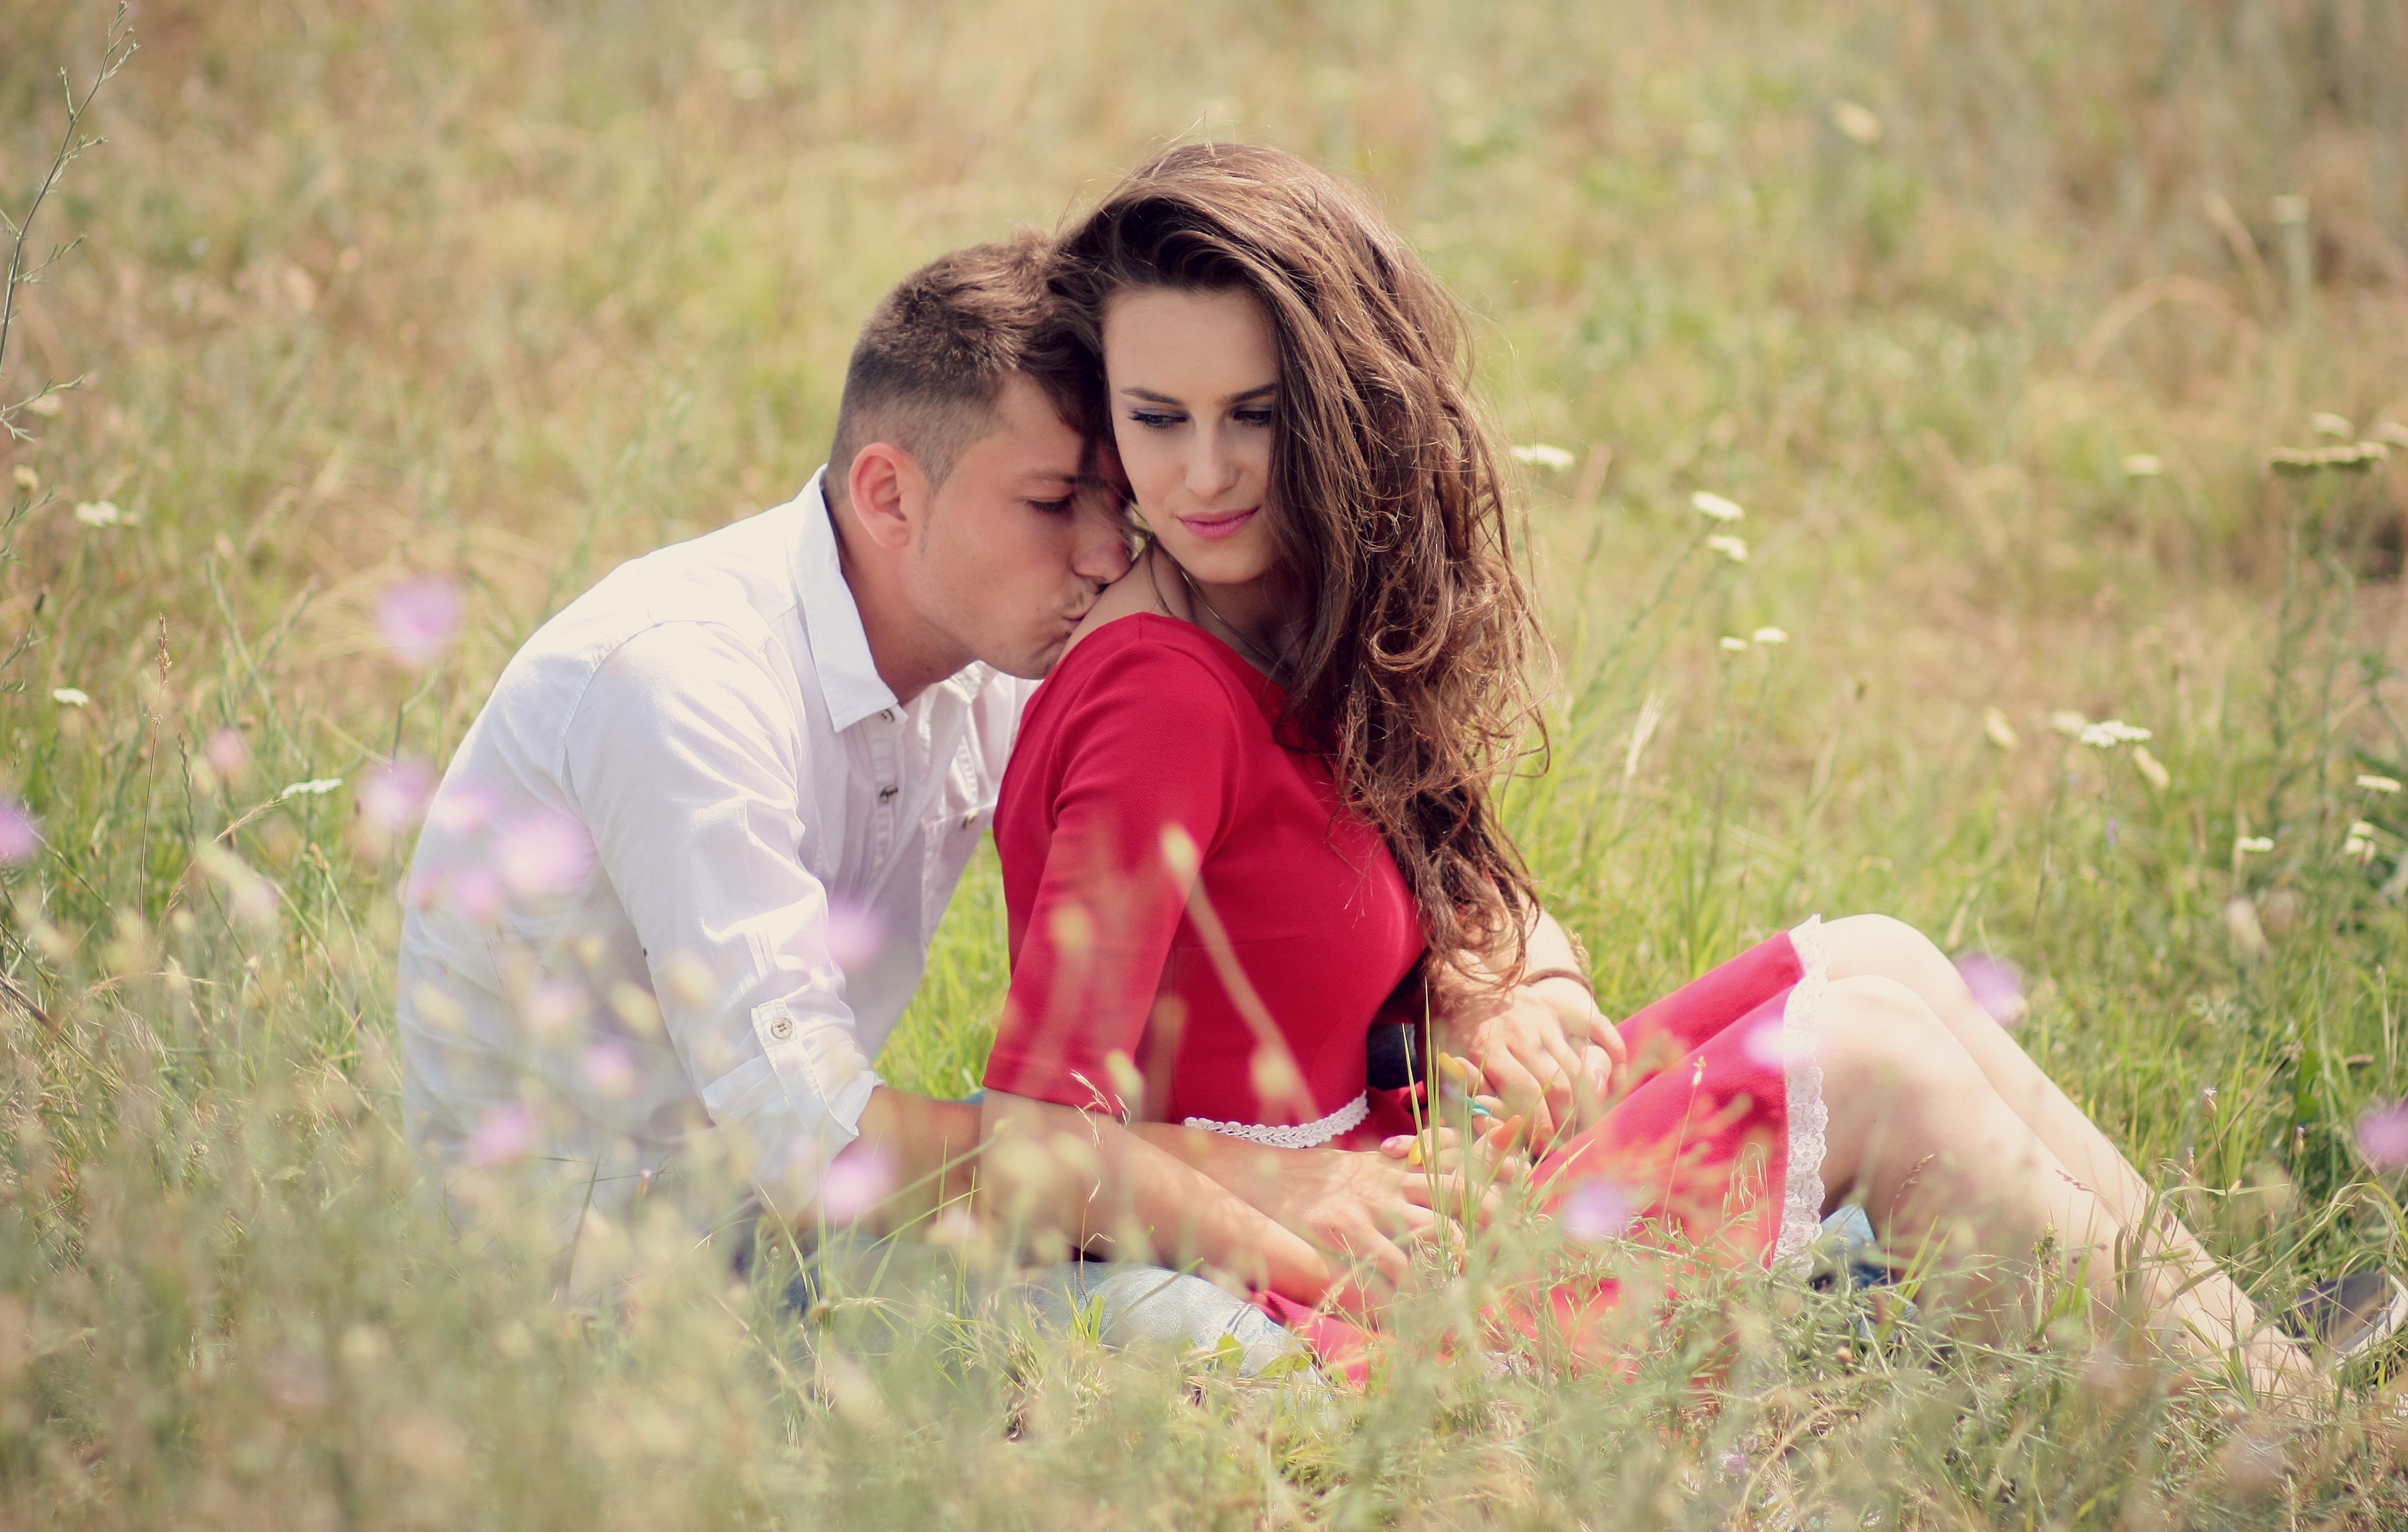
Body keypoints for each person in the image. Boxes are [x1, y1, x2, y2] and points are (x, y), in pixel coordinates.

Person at [974, 143, 2317, 1402]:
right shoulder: (1159, 696)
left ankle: (2235, 1355)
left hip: (1425, 1194)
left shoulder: (1277, 606)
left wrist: (1515, 980)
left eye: (1255, 417)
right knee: (1869, 1057)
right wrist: (1304, 1206)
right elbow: (1033, 1146)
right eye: (1157, 418)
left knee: (1877, 957)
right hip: (1339, 1314)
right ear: (1109, 417)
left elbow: (1398, 890)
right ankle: (2254, 1431)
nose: (1204, 473)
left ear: (1339, 410)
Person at [396, 235, 1133, 1292]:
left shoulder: (992, 650)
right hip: (589, 1283)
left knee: (1203, 1251)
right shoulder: (679, 676)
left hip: (793, 1218)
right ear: (889, 497)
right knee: (1190, 1322)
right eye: (1057, 501)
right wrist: (1189, 1182)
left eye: (1123, 505)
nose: (1109, 555)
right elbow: (807, 1137)